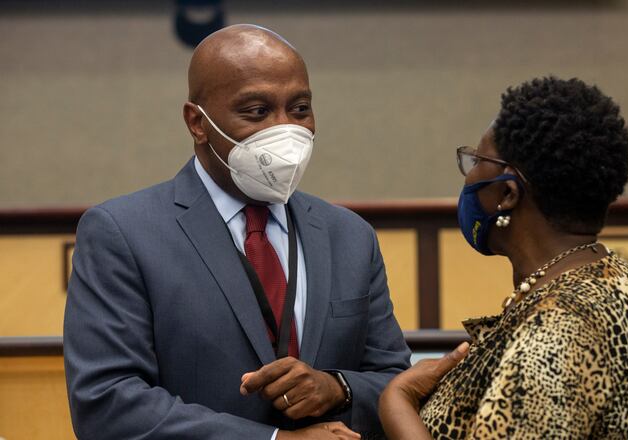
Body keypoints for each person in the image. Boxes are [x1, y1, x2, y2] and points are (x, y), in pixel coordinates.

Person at [64, 24, 411, 440]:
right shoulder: (122, 233)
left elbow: (394, 382)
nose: (285, 130)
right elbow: (107, 405)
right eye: (257, 112)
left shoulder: (350, 235)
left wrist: (338, 387)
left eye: (300, 109)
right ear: (197, 122)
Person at [379, 77, 628, 439]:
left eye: (477, 160)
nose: (469, 174)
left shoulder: (556, 336)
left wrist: (397, 403)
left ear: (507, 193)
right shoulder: (610, 274)